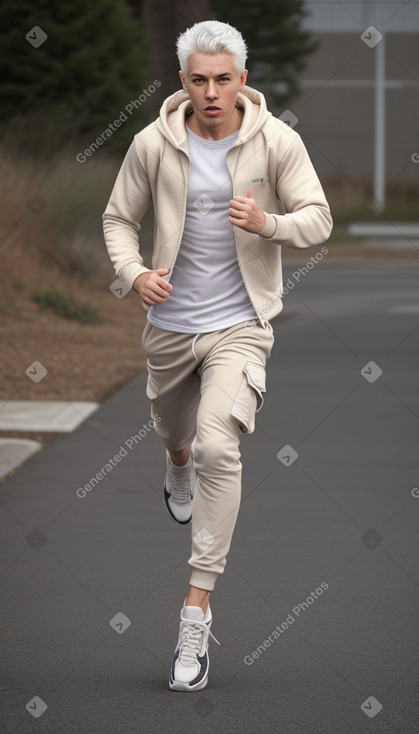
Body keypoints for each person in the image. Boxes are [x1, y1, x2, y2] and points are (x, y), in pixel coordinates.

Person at [103, 19, 332, 692]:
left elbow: (316, 218)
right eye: (198, 79)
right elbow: (119, 218)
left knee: (217, 446)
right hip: (169, 325)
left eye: (222, 79)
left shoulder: (276, 141)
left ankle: (194, 613)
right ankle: (173, 464)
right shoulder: (153, 143)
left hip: (240, 325)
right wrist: (134, 272)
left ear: (242, 80)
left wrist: (269, 224)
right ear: (182, 82)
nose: (210, 92)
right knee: (177, 436)